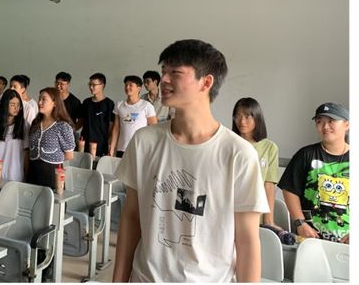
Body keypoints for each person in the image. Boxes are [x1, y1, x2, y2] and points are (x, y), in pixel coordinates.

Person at [113, 39, 268, 282]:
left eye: (175, 72)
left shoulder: (238, 154)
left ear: (206, 82)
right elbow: (131, 217)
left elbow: (247, 241)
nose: (163, 79)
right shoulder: (144, 141)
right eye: (163, 71)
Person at [278, 102, 349, 244]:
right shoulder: (305, 154)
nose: (325, 126)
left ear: (347, 125)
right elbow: (290, 190)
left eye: (331, 121)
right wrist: (300, 223)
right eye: (319, 122)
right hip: (311, 239)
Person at [232, 97, 280, 226]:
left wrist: (269, 220)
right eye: (237, 116)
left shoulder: (269, 147)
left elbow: (269, 186)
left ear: (257, 118)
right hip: (230, 212)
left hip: (256, 214)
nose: (242, 121)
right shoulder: (229, 144)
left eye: (247, 116)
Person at [27, 87, 75, 189]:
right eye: (39, 99)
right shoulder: (35, 124)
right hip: (33, 170)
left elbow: (69, 155)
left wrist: (52, 157)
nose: (39, 102)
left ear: (55, 103)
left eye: (44, 99)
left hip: (52, 173)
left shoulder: (63, 126)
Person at [108, 75, 157, 158]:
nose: (127, 87)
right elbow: (116, 128)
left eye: (131, 85)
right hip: (122, 148)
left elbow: (154, 129)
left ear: (139, 88)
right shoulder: (119, 105)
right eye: (126, 85)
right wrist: (112, 147)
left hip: (139, 148)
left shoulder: (146, 106)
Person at [0, 89, 29, 182]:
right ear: (5, 105)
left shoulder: (24, 125)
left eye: (18, 105)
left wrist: (27, 175)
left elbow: (27, 154)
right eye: (12, 104)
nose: (16, 108)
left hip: (16, 177)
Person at [77, 73, 114, 157]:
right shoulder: (86, 102)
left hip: (101, 144)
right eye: (89, 84)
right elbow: (81, 121)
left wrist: (110, 142)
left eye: (94, 85)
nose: (91, 87)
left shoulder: (109, 104)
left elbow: (111, 126)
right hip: (84, 142)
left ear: (102, 86)